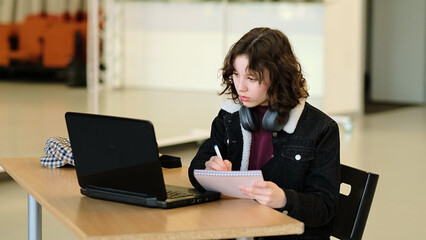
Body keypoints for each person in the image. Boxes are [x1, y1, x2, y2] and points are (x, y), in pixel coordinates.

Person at [188, 27, 340, 240]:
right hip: (235, 230)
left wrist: (285, 199)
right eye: (236, 74)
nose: (240, 87)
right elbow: (195, 169)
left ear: (278, 77)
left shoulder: (320, 129)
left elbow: (325, 207)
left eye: (251, 78)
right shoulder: (230, 116)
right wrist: (209, 168)